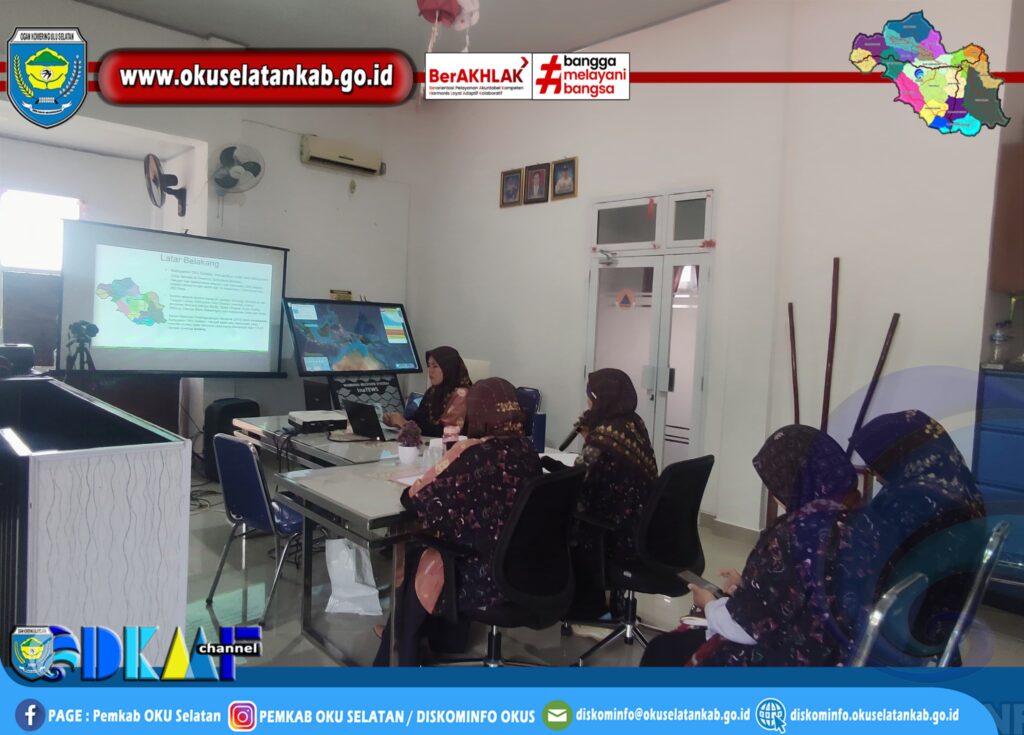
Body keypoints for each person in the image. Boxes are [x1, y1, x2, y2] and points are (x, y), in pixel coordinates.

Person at [641, 425, 858, 666]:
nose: (774, 491)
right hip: (838, 656)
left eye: (777, 480)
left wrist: (709, 604)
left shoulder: (793, 536)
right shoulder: (856, 523)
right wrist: (751, 585)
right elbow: (801, 591)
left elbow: (746, 627)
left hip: (787, 660)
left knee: (662, 651)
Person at [373, 378, 543, 666]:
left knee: (418, 555)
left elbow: (417, 501)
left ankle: (399, 660)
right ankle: (440, 641)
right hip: (527, 570)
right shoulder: (528, 451)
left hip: (484, 578)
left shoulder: (475, 455)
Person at [838, 410, 986, 664]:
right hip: (946, 609)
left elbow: (870, 565)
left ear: (899, 456)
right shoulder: (959, 483)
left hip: (910, 621)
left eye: (878, 465)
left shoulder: (909, 501)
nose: (876, 474)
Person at [558, 368, 658, 619]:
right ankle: (613, 605)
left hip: (615, 533)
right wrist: (589, 435)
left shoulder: (602, 438)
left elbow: (580, 484)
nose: (588, 403)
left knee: (562, 520)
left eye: (590, 397)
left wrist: (591, 438)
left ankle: (587, 612)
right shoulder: (634, 423)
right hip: (643, 527)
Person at [383, 346, 471, 437]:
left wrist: (405, 424)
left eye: (435, 366)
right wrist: (395, 420)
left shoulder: (461, 394)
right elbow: (419, 419)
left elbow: (448, 431)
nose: (430, 371)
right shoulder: (433, 391)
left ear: (448, 368)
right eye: (429, 366)